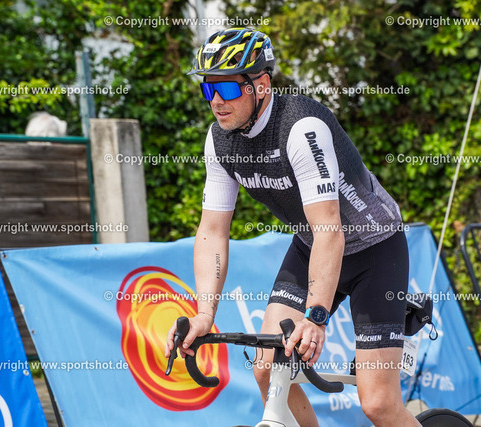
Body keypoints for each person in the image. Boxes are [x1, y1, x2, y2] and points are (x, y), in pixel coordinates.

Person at [165, 27, 419, 427]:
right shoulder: (219, 142)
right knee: (267, 368)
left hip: (375, 249)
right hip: (312, 245)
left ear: (261, 86)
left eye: (227, 88)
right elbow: (213, 231)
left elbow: (330, 228)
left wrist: (315, 317)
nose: (216, 101)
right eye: (208, 88)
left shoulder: (301, 127)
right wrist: (204, 314)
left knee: (378, 404)